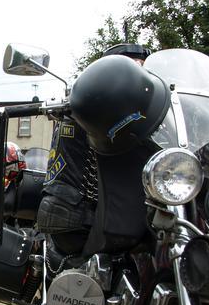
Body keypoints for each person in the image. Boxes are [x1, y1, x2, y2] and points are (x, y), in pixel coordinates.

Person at [36, 43, 150, 255]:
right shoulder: (95, 104)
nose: (140, 77)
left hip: (118, 215)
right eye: (133, 68)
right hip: (80, 217)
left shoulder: (142, 111)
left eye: (143, 69)